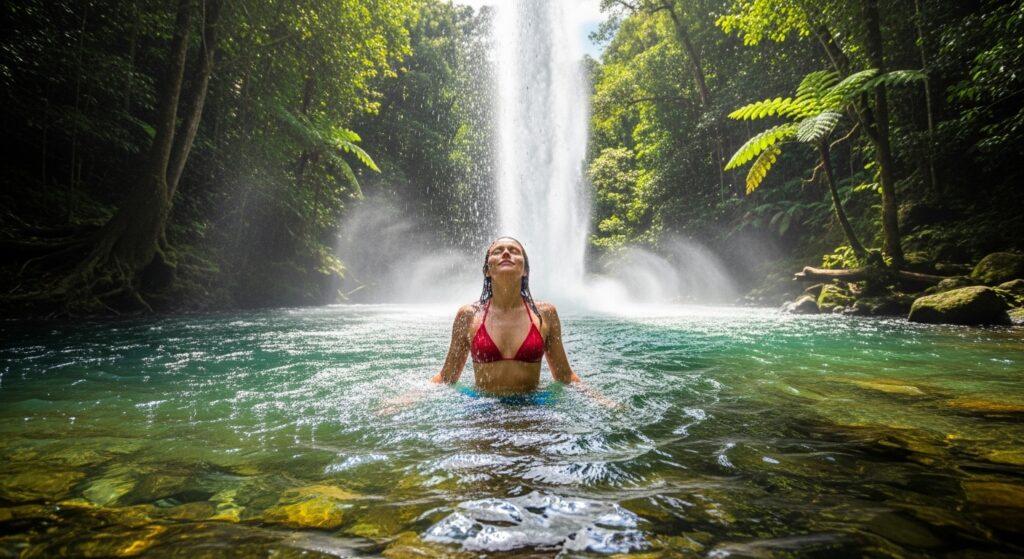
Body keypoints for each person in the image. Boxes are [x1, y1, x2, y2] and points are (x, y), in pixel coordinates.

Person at [431, 237, 613, 406]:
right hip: (482, 407)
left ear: (525, 270)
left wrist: (602, 401)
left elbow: (564, 376)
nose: (506, 253)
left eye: (514, 251)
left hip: (532, 407)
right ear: (487, 270)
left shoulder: (545, 314)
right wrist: (416, 396)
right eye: (497, 251)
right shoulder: (468, 315)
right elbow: (447, 377)